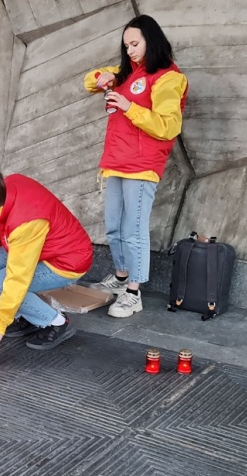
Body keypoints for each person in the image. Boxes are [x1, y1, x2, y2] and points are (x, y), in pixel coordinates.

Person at [84, 14, 188, 318]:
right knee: (114, 227)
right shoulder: (128, 73)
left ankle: (133, 292)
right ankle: (120, 277)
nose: (129, 50)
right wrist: (104, 76)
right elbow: (89, 81)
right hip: (115, 162)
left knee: (134, 231)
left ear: (150, 41)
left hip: (142, 166)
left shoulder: (169, 77)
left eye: (135, 44)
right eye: (126, 45)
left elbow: (168, 126)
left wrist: (130, 107)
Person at [0, 167, 93, 353]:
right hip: (39, 248)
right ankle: (29, 316)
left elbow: (18, 278)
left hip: (66, 261)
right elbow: (3, 217)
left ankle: (57, 322)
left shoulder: (26, 222)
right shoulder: (7, 185)